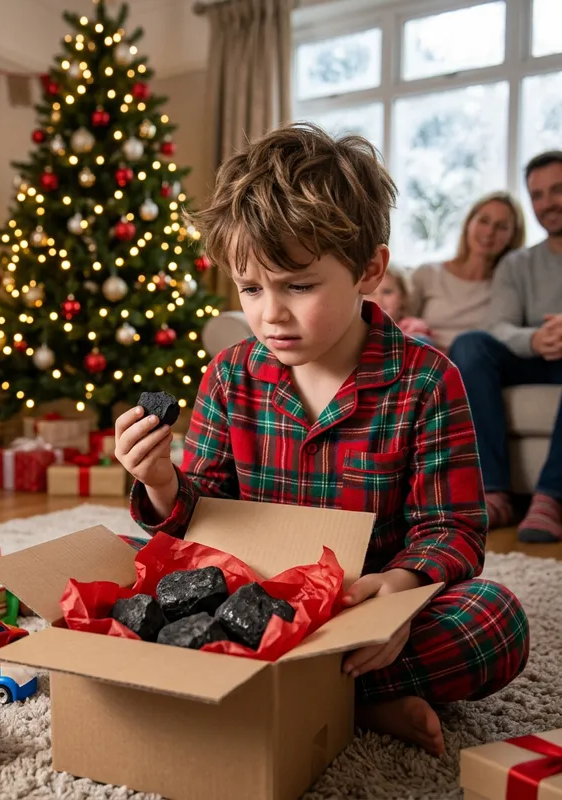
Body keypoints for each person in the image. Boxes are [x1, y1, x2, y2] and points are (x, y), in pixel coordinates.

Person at [114, 123, 528, 757]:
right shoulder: (230, 375)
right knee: (120, 572)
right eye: (251, 288)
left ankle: (281, 689)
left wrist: (401, 592)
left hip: (359, 613)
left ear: (370, 269)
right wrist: (161, 482)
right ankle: (351, 701)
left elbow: (452, 529)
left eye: (298, 286)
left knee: (496, 620)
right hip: (248, 601)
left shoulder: (427, 378)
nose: (270, 314)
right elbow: (198, 520)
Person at [450, 151, 562, 542]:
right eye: (539, 194)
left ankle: (551, 498)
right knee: (470, 345)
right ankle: (495, 492)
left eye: (558, 190)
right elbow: (499, 325)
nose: (549, 202)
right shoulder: (516, 265)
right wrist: (535, 338)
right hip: (531, 355)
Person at [407, 192, 525, 353]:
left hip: (476, 362)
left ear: (513, 236)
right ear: (469, 223)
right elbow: (401, 321)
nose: (489, 232)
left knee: (469, 345)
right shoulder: (428, 274)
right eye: (484, 221)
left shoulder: (509, 285)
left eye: (501, 227)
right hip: (429, 362)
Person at [368, 265, 434, 342]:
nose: (378, 299)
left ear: (403, 296)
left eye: (387, 292)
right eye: (371, 293)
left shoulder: (413, 327)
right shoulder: (358, 330)